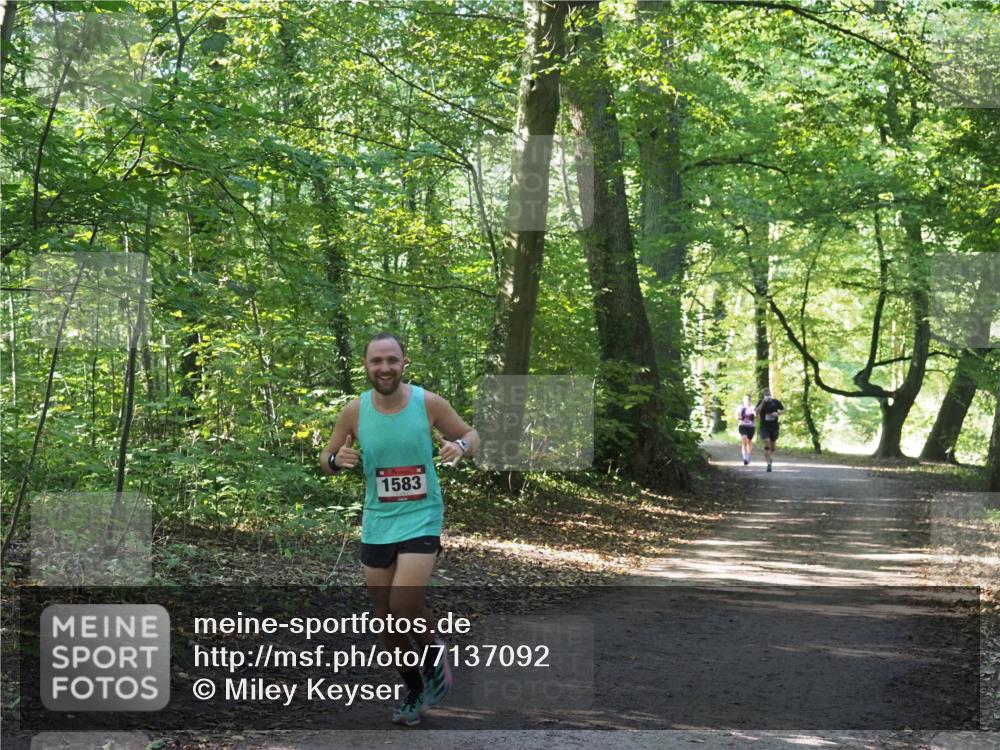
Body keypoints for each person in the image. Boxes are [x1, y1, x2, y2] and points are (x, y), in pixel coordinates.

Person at [320, 332, 479, 726]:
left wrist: (459, 446)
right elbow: (326, 456)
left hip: (422, 516)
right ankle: (416, 689)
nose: (385, 368)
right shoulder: (354, 411)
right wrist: (336, 460)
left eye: (392, 360)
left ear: (404, 362)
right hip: (378, 520)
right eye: (377, 361)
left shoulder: (427, 403)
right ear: (366, 366)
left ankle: (431, 652)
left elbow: (471, 434)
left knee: (403, 606)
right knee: (384, 616)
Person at [754, 387, 785, 472]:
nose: (767, 396)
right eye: (766, 395)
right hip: (764, 427)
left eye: (768, 394)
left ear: (771, 394)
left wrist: (778, 413)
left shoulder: (775, 402)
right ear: (764, 395)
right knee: (767, 442)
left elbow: (783, 410)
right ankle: (768, 464)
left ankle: (770, 457)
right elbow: (756, 412)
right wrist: (763, 403)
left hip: (774, 427)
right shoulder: (761, 402)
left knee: (773, 446)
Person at [735, 395, 756, 465]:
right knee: (745, 439)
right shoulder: (740, 407)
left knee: (749, 441)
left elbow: (756, 415)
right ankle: (744, 458)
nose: (747, 401)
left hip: (751, 427)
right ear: (743, 401)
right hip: (742, 426)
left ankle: (748, 456)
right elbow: (736, 415)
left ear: (750, 401)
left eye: (748, 400)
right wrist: (739, 417)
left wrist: (754, 414)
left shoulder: (753, 407)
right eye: (746, 400)